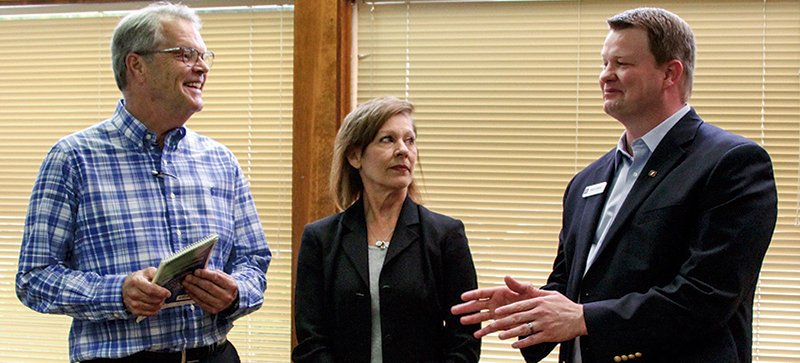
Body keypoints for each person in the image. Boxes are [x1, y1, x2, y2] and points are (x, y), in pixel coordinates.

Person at [452, 7, 777, 363]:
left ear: (670, 73)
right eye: (604, 63)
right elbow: (574, 289)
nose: (606, 76)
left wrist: (582, 318)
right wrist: (533, 309)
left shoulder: (731, 163)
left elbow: (708, 295)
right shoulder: (586, 181)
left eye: (621, 63)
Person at [15, 2, 271, 362]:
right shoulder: (73, 158)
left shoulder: (220, 160)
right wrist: (117, 293)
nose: (202, 67)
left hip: (216, 355)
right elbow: (34, 279)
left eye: (203, 55)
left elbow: (254, 261)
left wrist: (235, 293)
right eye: (185, 54)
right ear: (136, 65)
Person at [292, 96, 481, 362]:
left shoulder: (446, 235)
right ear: (355, 155)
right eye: (387, 139)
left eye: (410, 140)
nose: (403, 150)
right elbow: (311, 342)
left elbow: (464, 341)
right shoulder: (320, 239)